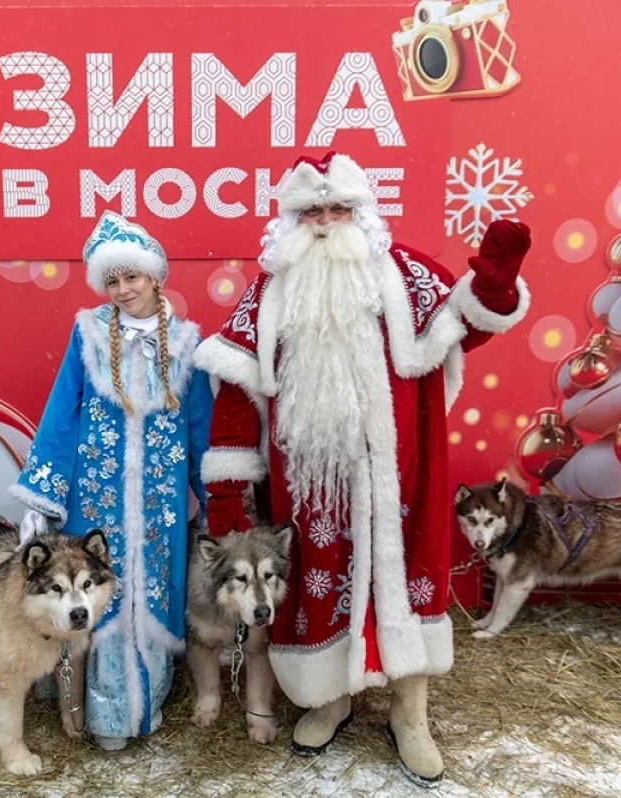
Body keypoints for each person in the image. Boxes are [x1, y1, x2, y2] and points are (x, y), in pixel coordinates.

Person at [193, 151, 532, 786]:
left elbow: (467, 325)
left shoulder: (402, 273)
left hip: (399, 474)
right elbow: (236, 397)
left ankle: (410, 714)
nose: (325, 222)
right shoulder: (269, 290)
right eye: (312, 211)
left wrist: (494, 285)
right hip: (312, 487)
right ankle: (331, 699)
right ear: (293, 220)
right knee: (320, 582)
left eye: (338, 208)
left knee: (404, 582)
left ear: (361, 212)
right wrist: (229, 501)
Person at [10, 211, 213, 751]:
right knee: (93, 594)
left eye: (133, 277)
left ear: (156, 276)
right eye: (113, 280)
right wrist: (44, 492)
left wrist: (215, 494)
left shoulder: (188, 345)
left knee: (153, 594)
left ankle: (144, 709)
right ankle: (100, 715)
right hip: (94, 496)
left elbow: (201, 429)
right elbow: (60, 414)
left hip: (159, 504)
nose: (123, 290)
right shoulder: (89, 335)